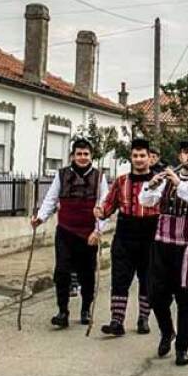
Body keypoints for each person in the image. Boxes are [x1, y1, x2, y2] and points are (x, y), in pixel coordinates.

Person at [139, 139, 188, 366]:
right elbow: (145, 201)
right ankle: (166, 331)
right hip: (163, 245)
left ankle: (182, 347)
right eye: (185, 153)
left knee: (187, 302)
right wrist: (151, 185)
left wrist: (179, 185)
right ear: (180, 156)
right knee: (155, 296)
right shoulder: (166, 180)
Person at [32, 139, 110, 328]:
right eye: (79, 154)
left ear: (91, 156)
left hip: (88, 234)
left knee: (87, 274)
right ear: (72, 156)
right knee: (62, 271)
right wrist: (40, 218)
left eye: (86, 154)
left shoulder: (99, 178)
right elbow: (51, 198)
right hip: (66, 230)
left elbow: (105, 206)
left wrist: (98, 231)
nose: (82, 158)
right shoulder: (62, 175)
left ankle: (85, 309)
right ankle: (62, 311)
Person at [98, 138, 159, 337]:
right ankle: (117, 321)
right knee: (120, 278)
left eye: (143, 156)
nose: (139, 159)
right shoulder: (121, 182)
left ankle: (143, 318)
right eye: (135, 156)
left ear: (150, 158)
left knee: (147, 278)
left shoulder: (159, 181)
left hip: (150, 234)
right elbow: (109, 205)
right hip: (125, 233)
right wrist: (100, 211)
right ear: (131, 158)